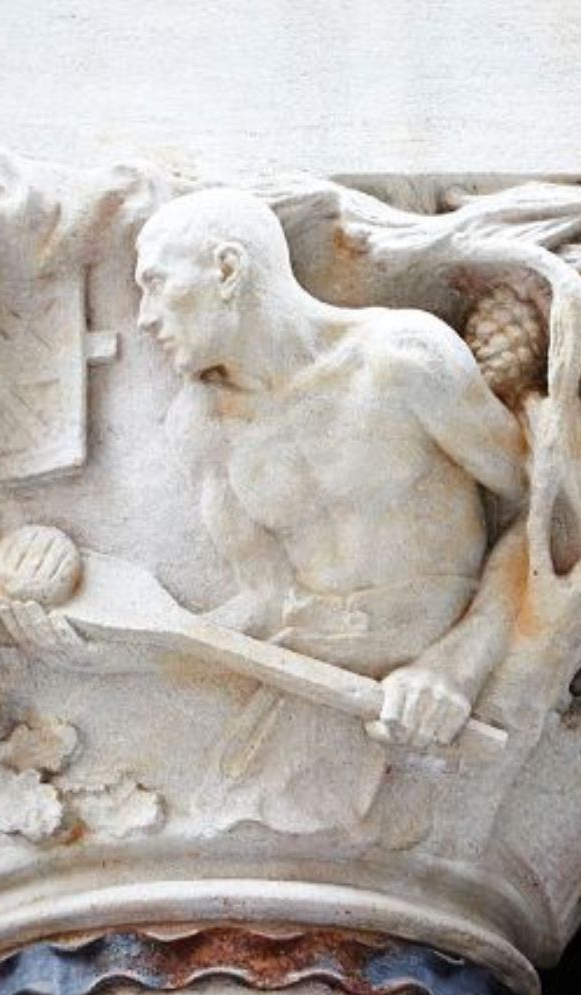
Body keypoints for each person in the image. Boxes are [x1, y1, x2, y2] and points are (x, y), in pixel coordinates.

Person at [132, 188, 528, 749]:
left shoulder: (401, 360)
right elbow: (266, 601)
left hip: (435, 703)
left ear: (227, 269)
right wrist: (132, 649)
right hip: (313, 694)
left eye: (155, 283)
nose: (144, 317)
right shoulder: (201, 425)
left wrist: (458, 665)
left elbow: (551, 513)